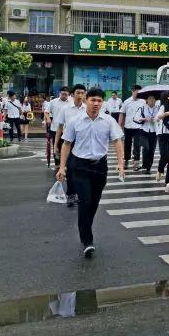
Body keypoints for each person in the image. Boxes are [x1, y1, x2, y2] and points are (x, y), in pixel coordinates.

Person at [56, 87, 125, 258]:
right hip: (80, 166)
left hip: (100, 166)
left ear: (103, 103)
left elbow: (117, 142)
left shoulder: (108, 121)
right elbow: (66, 144)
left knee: (93, 204)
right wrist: (62, 167)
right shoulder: (75, 120)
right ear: (86, 100)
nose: (96, 103)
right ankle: (87, 239)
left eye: (99, 101)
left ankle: (85, 226)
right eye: (93, 100)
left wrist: (120, 164)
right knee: (85, 202)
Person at [56, 85, 92, 202]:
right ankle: (71, 193)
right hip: (69, 142)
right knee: (71, 169)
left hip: (83, 142)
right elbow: (60, 127)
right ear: (73, 94)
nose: (80, 95)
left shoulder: (88, 108)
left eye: (82, 93)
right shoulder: (65, 109)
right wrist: (56, 144)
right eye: (78, 93)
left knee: (83, 169)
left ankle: (81, 192)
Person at [119, 85, 144, 171]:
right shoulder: (126, 102)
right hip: (128, 127)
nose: (138, 94)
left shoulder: (143, 102)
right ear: (132, 91)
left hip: (138, 127)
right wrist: (119, 126)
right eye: (137, 92)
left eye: (139, 92)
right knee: (127, 145)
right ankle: (126, 161)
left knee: (137, 145)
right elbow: (122, 113)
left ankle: (136, 162)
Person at [46, 87, 72, 168]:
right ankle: (57, 164)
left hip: (67, 129)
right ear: (59, 93)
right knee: (56, 146)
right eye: (62, 94)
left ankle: (65, 164)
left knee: (67, 146)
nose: (64, 96)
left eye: (66, 94)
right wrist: (47, 118)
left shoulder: (71, 102)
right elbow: (46, 112)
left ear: (68, 94)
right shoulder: (53, 102)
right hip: (55, 128)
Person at [135, 92, 160, 176]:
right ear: (147, 100)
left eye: (153, 99)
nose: (152, 100)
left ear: (155, 100)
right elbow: (135, 118)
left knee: (152, 150)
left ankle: (148, 168)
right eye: (150, 99)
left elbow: (161, 119)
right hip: (143, 131)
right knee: (146, 149)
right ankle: (144, 165)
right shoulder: (142, 108)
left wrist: (156, 119)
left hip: (154, 131)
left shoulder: (158, 109)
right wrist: (144, 119)